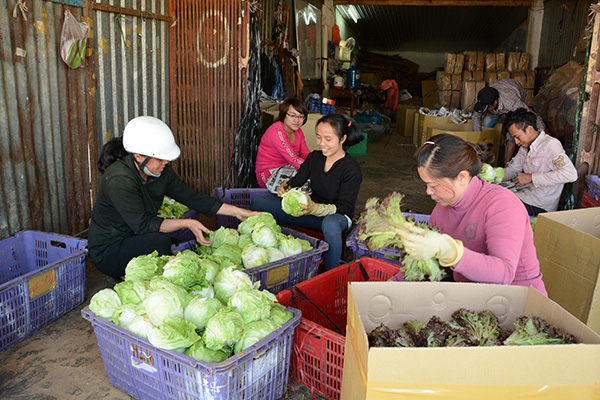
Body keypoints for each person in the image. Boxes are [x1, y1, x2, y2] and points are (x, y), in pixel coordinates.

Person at [88, 116, 258, 278]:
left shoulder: (160, 171)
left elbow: (191, 196)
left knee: (165, 240)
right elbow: (144, 225)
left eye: (166, 159)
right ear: (139, 157)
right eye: (161, 159)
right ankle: (128, 273)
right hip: (109, 249)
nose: (166, 163)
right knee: (160, 241)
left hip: (134, 237)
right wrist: (187, 222)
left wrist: (236, 211)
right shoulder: (119, 179)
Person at [394, 133, 547, 295]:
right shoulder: (441, 209)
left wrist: (453, 252)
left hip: (518, 298)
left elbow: (503, 274)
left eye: (433, 185)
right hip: (473, 296)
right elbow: (422, 266)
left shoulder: (502, 204)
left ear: (462, 177)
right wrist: (389, 287)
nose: (428, 192)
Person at [251, 113, 364, 271]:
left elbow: (344, 206)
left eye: (328, 139)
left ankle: (332, 275)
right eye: (318, 137)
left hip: (337, 217)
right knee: (258, 203)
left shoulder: (351, 169)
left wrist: (316, 208)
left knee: (330, 224)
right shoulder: (314, 158)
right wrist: (285, 187)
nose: (321, 143)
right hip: (310, 212)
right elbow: (295, 182)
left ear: (343, 139)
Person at [501, 108, 577, 216]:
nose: (516, 142)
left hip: (540, 204)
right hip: (525, 194)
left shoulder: (550, 145)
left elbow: (570, 174)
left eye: (517, 137)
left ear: (530, 129)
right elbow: (514, 169)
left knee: (500, 204)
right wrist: (495, 175)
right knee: (493, 194)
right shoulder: (525, 147)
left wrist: (532, 177)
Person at [472, 79, 545, 166]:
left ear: (495, 102)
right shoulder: (482, 99)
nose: (485, 110)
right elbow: (476, 116)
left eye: (487, 108)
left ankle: (507, 165)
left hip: (514, 94)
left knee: (511, 135)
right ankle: (482, 160)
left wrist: (542, 133)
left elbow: (534, 116)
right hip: (501, 94)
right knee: (485, 126)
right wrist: (478, 136)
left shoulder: (513, 103)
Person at [255, 97, 311, 190]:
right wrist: (315, 169)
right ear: (284, 114)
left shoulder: (298, 132)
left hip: (287, 169)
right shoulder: (276, 131)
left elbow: (305, 154)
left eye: (301, 116)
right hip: (268, 173)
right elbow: (293, 158)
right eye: (292, 115)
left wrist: (318, 163)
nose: (297, 120)